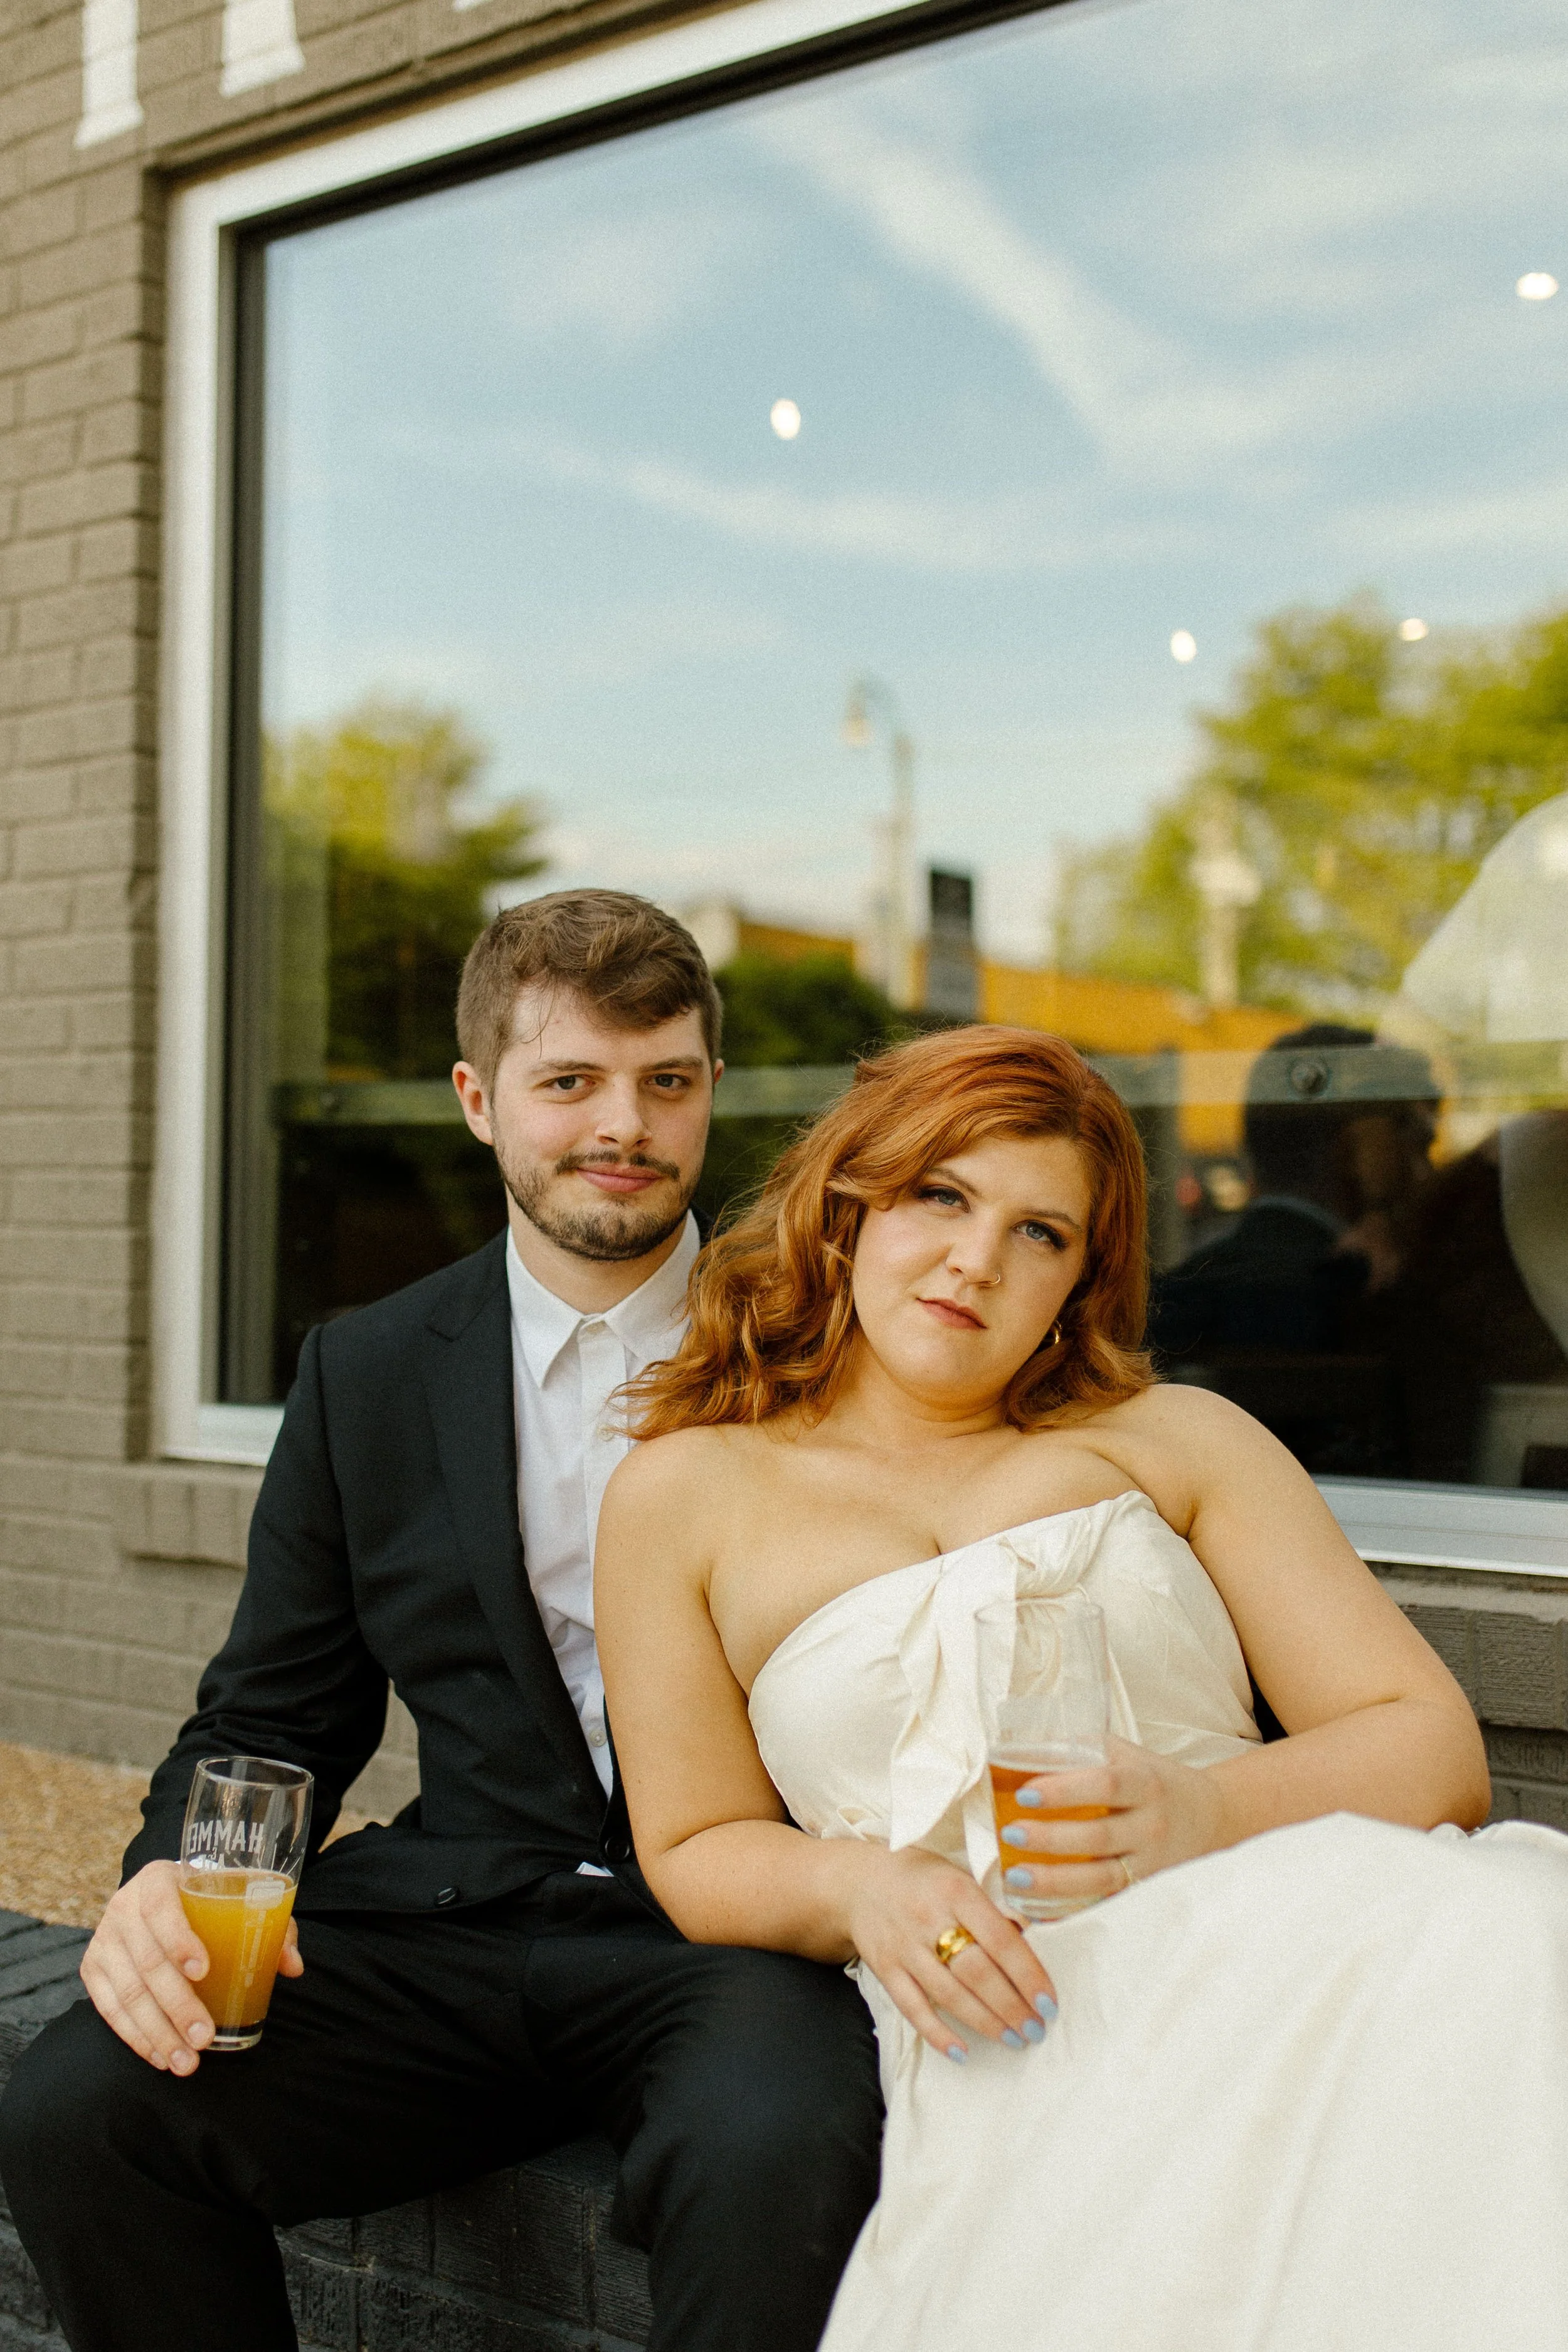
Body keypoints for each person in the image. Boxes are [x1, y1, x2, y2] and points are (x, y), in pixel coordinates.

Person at [595, 1023, 1568, 2352]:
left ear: (1079, 1278)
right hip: (1009, 1993)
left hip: (1292, 1908)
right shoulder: (682, 1493)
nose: (974, 1260)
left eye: (1038, 1233)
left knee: (1511, 1939)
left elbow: (1425, 1745)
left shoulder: (1178, 1439)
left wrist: (1199, 1812)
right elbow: (693, 1842)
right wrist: (864, 1889)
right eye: (941, 1195)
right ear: (849, 1203)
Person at [0, 890, 882, 2352]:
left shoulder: (818, 1343)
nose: (625, 1125)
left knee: (779, 2158)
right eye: (569, 1083)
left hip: (731, 1943)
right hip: (453, 1921)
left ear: (709, 1091)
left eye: (665, 1081)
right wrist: (164, 1879)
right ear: (479, 1101)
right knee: (79, 2108)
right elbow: (276, 1711)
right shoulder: (368, 1369)